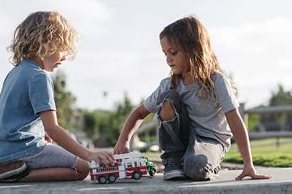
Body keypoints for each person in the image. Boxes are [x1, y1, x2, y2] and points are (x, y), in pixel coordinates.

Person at [114, 16, 271, 181]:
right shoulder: (168, 84)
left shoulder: (216, 81)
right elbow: (139, 112)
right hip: (181, 140)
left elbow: (234, 120)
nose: (168, 59)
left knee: (195, 168)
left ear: (193, 49)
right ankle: (173, 160)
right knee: (167, 97)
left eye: (173, 52)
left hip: (210, 140)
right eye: (165, 53)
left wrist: (248, 164)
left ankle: (201, 163)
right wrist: (123, 140)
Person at [0, 11, 113, 183]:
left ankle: (4, 169)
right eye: (62, 49)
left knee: (64, 157)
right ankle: (17, 175)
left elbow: (14, 115)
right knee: (82, 168)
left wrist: (40, 133)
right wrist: (89, 154)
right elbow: (53, 128)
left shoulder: (15, 72)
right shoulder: (39, 76)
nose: (64, 57)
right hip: (25, 149)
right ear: (44, 43)